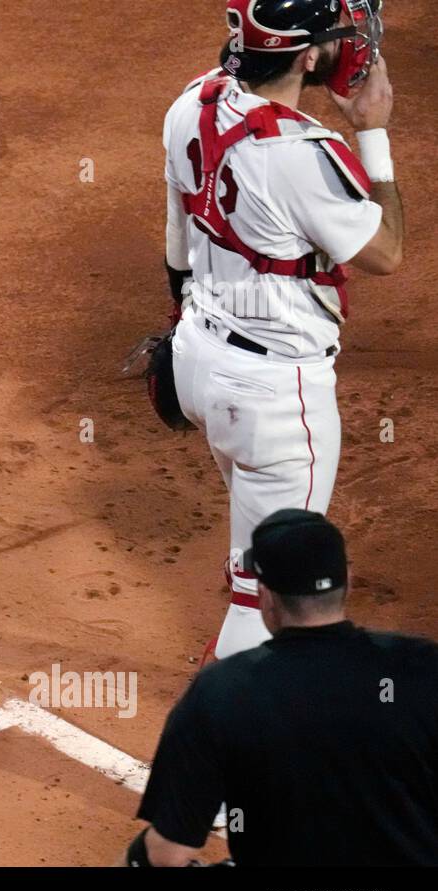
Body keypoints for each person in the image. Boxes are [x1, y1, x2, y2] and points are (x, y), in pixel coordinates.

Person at [141, 0, 402, 661]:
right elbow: (386, 251)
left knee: (257, 553)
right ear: (308, 57)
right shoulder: (301, 156)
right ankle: (223, 734)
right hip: (274, 399)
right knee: (271, 594)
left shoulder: (192, 103)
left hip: (202, 360)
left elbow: (178, 233)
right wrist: (373, 133)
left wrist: (179, 321)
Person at [128, 510, 438, 866]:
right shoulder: (423, 668)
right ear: (349, 582)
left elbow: (168, 855)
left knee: (143, 858)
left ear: (266, 597)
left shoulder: (221, 692)